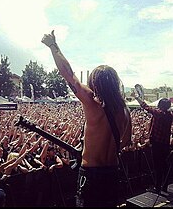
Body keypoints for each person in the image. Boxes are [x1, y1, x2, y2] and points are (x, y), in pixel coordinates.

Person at [41, 30, 132, 207]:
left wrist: (53, 46)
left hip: (91, 174)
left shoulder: (93, 104)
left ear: (95, 83)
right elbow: (127, 141)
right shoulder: (125, 110)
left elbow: (69, 76)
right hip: (112, 172)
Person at [134, 95, 173, 194]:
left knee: (157, 166)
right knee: (164, 165)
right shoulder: (170, 115)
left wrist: (137, 98)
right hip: (165, 144)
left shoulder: (158, 113)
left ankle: (157, 187)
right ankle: (164, 186)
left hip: (157, 143)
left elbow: (145, 106)